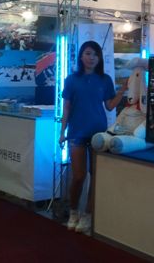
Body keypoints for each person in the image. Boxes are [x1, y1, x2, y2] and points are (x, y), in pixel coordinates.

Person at [59, 41, 127, 233]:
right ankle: (73, 212)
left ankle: (88, 216)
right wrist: (62, 132)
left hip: (99, 133)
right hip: (77, 133)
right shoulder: (71, 80)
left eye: (95, 54)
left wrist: (122, 91)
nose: (92, 58)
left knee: (96, 176)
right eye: (88, 53)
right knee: (79, 176)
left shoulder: (105, 80)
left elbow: (110, 106)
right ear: (81, 56)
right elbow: (67, 108)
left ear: (99, 58)